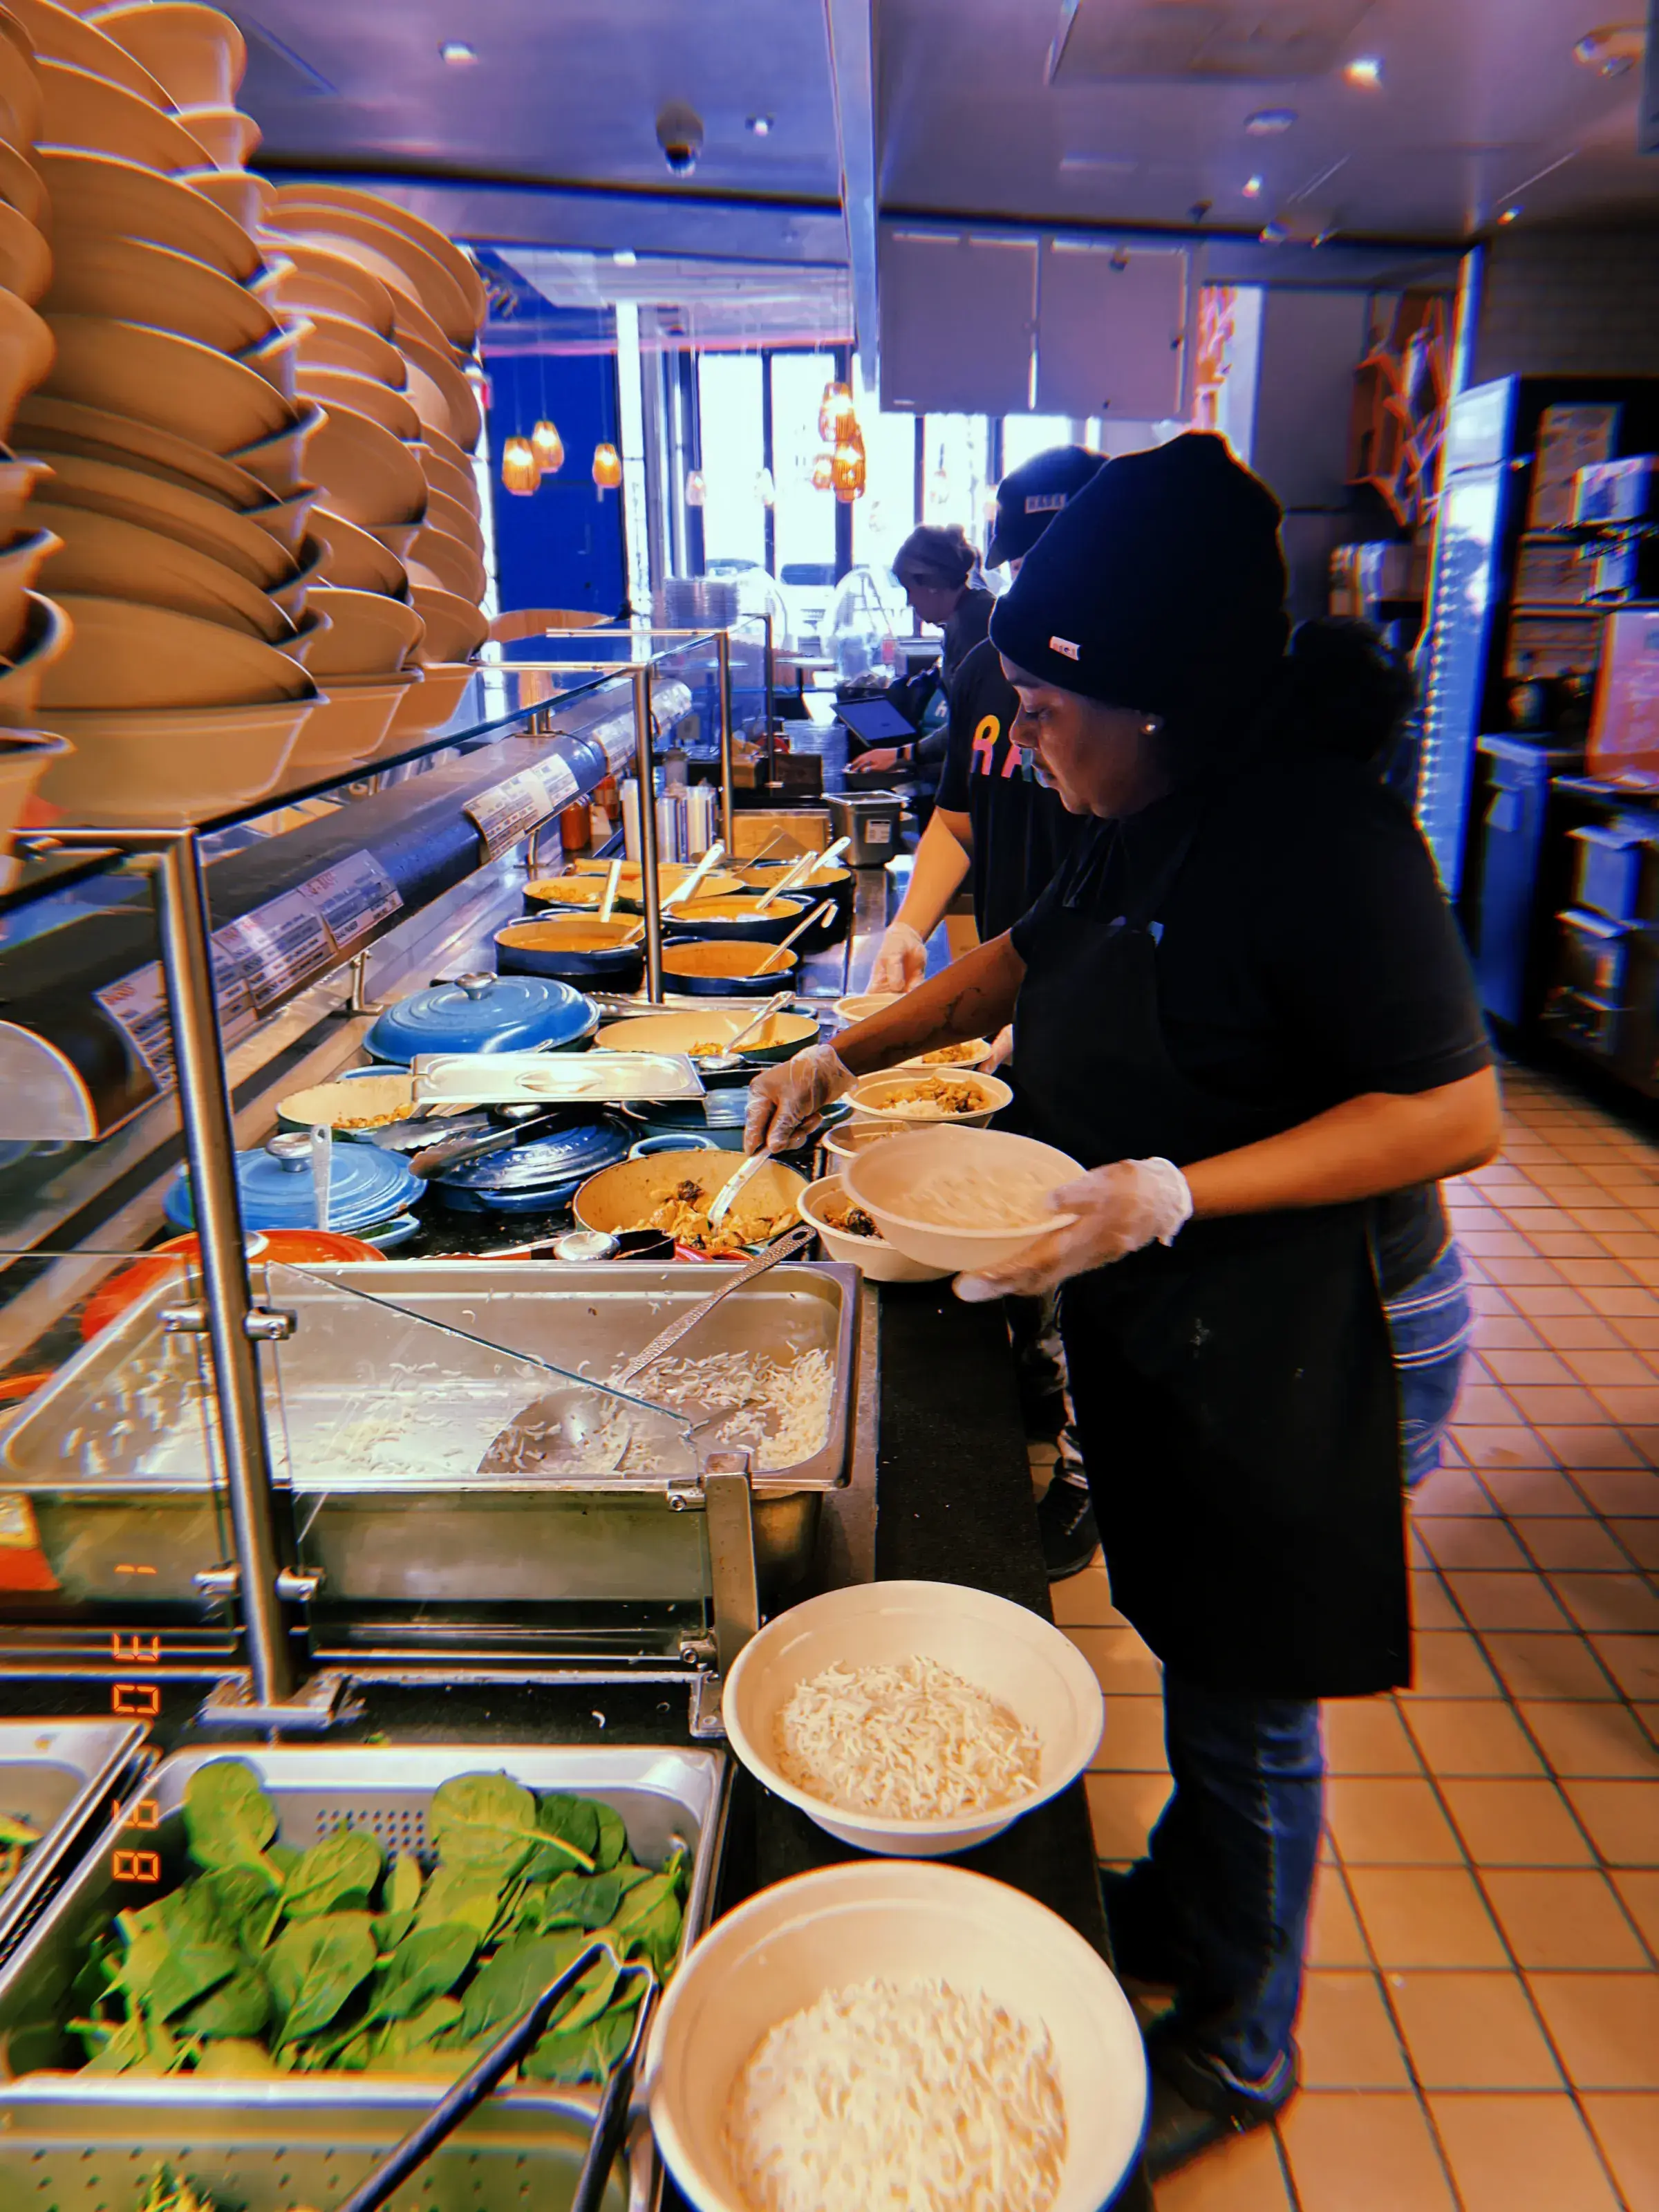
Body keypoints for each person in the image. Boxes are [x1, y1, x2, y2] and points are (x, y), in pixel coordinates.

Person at [743, 432, 1500, 2179]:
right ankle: (1184, 1891)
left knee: (1252, 1678)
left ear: (1157, 700)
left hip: (1329, 1330)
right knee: (1189, 1623)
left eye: (1047, 708)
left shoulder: (1315, 833)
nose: (1022, 742)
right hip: (1190, 1306)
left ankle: (1241, 2043)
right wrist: (837, 1045)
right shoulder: (1131, 808)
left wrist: (1173, 1187)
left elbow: (1452, 1111)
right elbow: (1023, 962)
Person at [868, 448, 1109, 1578]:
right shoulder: (983, 669)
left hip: (1092, 1008)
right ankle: (1030, 1386)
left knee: (1088, 1233)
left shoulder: (1130, 703)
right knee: (1010, 1215)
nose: (1035, 585)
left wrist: (1055, 1001)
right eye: (1024, 561)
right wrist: (911, 928)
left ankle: (1084, 1471)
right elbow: (960, 823)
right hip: (1002, 994)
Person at [845, 524, 993, 782]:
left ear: (932, 585)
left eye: (910, 590)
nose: (909, 602)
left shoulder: (970, 626)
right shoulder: (970, 614)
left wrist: (902, 754)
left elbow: (969, 723)